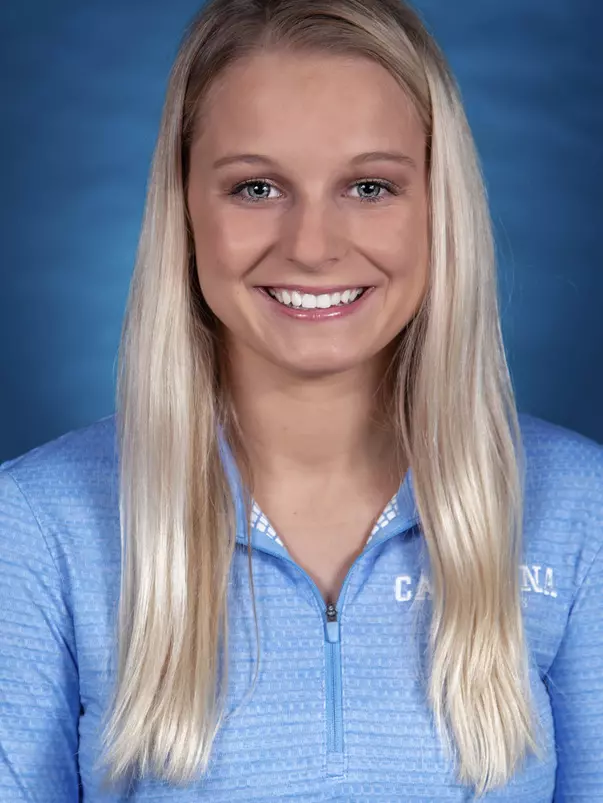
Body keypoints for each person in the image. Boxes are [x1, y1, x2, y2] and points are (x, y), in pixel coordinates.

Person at [1, 0, 602, 799]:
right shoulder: (37, 527)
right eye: (255, 187)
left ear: (437, 206)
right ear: (183, 211)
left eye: (368, 185)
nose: (312, 246)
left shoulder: (580, 512)